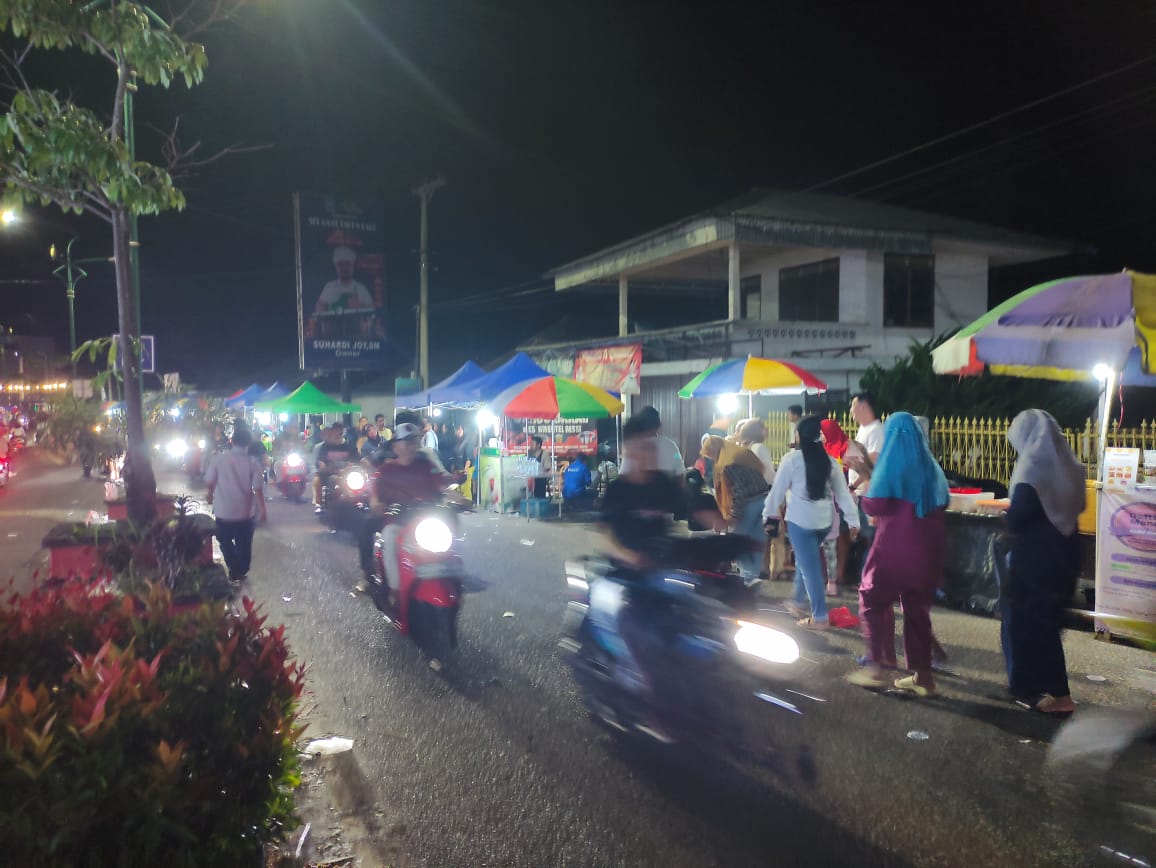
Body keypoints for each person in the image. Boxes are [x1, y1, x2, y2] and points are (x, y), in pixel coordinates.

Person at [845, 412, 948, 696]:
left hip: (894, 549)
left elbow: (873, 506)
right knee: (917, 611)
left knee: (872, 598)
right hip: (929, 552)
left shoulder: (892, 465)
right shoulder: (931, 467)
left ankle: (876, 666)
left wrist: (866, 475)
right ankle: (923, 677)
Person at [1001, 409, 1085, 715]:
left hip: (1037, 559)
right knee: (1046, 622)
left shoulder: (1033, 466)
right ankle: (1038, 687)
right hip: (1066, 552)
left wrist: (1006, 518)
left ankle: (1055, 694)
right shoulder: (1071, 466)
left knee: (1030, 623)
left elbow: (1021, 512)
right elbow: (1080, 504)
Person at [763, 415, 860, 629]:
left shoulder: (792, 459)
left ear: (799, 435)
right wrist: (854, 520)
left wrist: (768, 515)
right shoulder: (830, 462)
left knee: (810, 567)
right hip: (824, 521)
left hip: (800, 521)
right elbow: (843, 494)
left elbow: (777, 491)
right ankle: (798, 601)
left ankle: (820, 617)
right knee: (807, 561)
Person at [363, 422, 449, 599]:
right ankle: (396, 590)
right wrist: (376, 503)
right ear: (396, 446)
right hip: (398, 521)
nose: (411, 446)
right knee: (390, 538)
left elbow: (441, 485)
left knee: (451, 539)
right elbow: (375, 493)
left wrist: (460, 499)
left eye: (414, 441)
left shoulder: (426, 466)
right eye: (406, 442)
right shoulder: (386, 470)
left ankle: (449, 581)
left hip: (425, 520)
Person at [700, 434, 771, 583]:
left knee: (738, 542)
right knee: (755, 541)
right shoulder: (740, 453)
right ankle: (752, 578)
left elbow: (740, 492)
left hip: (749, 505)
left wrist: (733, 516)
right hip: (764, 499)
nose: (711, 458)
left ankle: (746, 578)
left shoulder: (728, 463)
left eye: (710, 454)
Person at [204, 426, 267, 584]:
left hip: (223, 511)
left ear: (232, 441)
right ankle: (240, 570)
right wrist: (263, 510)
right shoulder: (252, 462)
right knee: (244, 544)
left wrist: (210, 495)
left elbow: (210, 480)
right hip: (245, 513)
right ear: (248, 443)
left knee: (224, 541)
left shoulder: (219, 459)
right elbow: (258, 488)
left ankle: (233, 567)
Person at [820, 417, 853, 595]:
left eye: (823, 432)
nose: (821, 435)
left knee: (842, 536)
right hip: (826, 499)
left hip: (842, 497)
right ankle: (829, 575)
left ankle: (839, 573)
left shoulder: (846, 446)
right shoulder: (822, 448)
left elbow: (856, 470)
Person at [619, 407, 685, 485]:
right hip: (666, 494)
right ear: (659, 425)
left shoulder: (634, 446)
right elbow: (680, 476)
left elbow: (623, 475)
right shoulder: (672, 447)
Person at [314, 246, 373, 314]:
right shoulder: (329, 287)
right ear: (336, 267)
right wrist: (320, 307)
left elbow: (371, 309)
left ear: (353, 266)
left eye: (347, 264)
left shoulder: (361, 288)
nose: (344, 268)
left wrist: (361, 306)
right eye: (340, 265)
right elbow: (319, 307)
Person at [312, 423, 355, 508]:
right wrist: (322, 464)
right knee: (317, 480)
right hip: (329, 473)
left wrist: (349, 466)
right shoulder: (325, 447)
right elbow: (320, 460)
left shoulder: (349, 446)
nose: (338, 435)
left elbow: (355, 459)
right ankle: (319, 504)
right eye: (335, 432)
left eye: (340, 433)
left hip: (347, 475)